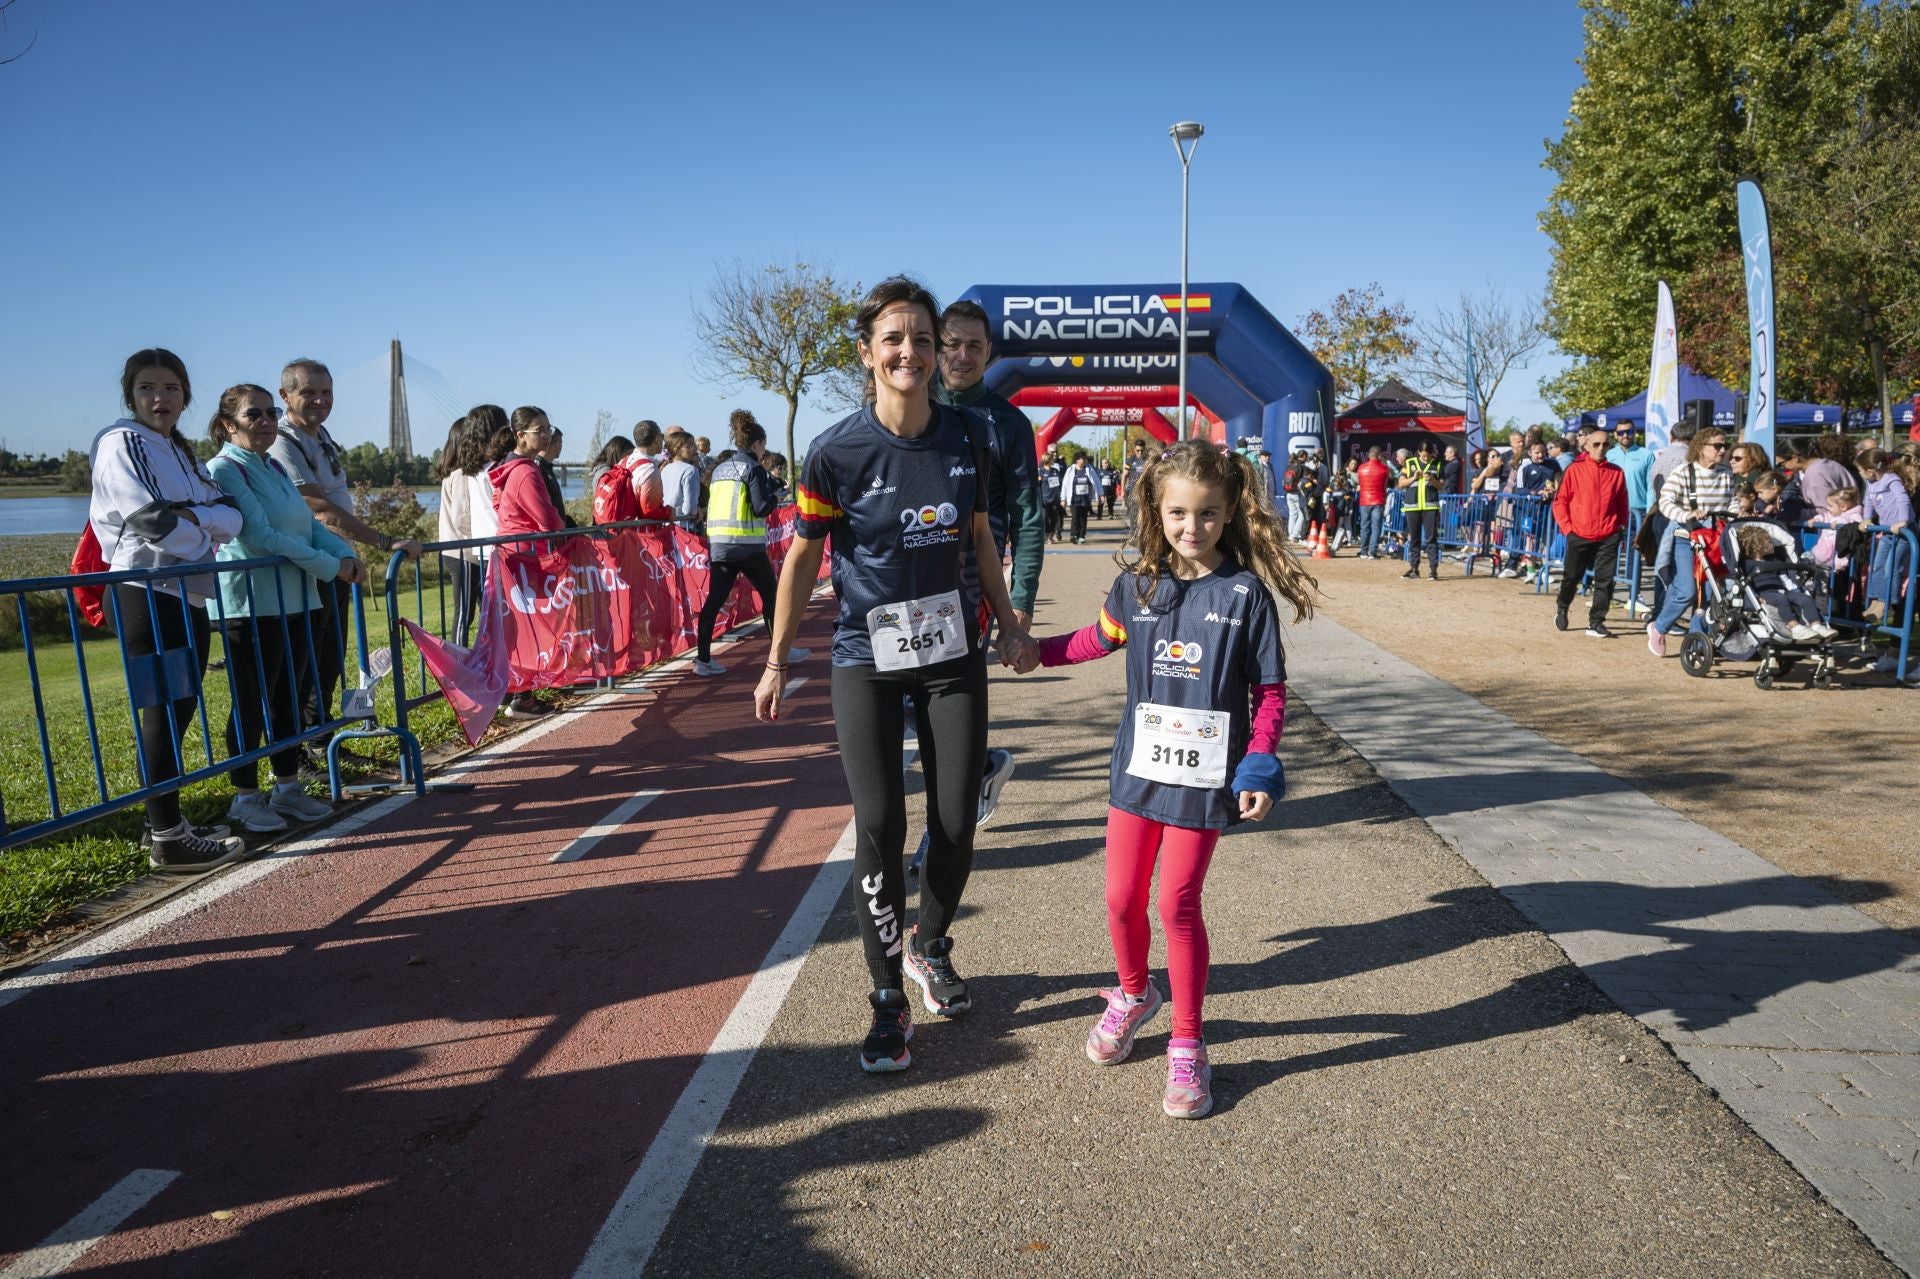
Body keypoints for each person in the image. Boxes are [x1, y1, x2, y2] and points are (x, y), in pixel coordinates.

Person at [752, 278, 1035, 1072]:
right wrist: (776, 660)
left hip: (952, 658)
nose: (909, 352)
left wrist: (1010, 624)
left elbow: (981, 539)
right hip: (863, 660)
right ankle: (885, 1001)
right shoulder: (835, 451)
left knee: (954, 819)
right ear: (868, 352)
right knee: (879, 823)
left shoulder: (967, 439)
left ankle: (930, 945)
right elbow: (804, 555)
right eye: (894, 339)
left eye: (921, 338)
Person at [1023, 441, 1313, 1119]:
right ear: (1157, 509)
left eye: (1208, 513)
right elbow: (1095, 639)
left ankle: (1188, 1040)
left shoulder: (1245, 597)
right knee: (1121, 899)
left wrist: (1260, 764)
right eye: (1179, 512)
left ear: (1229, 511)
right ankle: (1132, 993)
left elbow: (1269, 693)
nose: (1193, 526)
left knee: (1176, 903)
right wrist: (1031, 651)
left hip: (1203, 786)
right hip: (1137, 776)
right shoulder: (1138, 585)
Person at [89, 349, 248, 872]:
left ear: (185, 395)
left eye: (171, 389)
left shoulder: (176, 448)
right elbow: (147, 519)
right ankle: (167, 838)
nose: (160, 398)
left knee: (180, 707)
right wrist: (201, 530)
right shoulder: (122, 443)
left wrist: (195, 518)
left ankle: (161, 821)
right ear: (130, 395)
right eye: (147, 389)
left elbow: (234, 512)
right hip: (145, 591)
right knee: (162, 709)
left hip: (186, 591)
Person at [205, 384, 354, 834]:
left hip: (295, 599)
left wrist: (346, 555)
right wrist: (332, 567)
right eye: (255, 415)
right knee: (251, 702)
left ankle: (287, 787)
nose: (267, 421)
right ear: (230, 424)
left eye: (271, 413)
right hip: (250, 605)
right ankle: (245, 799)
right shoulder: (225, 470)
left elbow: (307, 526)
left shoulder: (271, 465)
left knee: (289, 697)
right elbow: (260, 536)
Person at [269, 359, 422, 749]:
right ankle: (302, 755)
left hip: (337, 566)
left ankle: (326, 743)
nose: (320, 400)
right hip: (310, 566)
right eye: (309, 392)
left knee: (330, 662)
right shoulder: (282, 441)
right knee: (303, 668)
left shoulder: (321, 436)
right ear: (285, 396)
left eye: (326, 392)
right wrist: (385, 542)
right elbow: (319, 510)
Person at [933, 298, 1043, 829]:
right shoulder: (909, 403)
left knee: (950, 696)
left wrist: (1019, 604)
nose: (961, 355)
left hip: (972, 586)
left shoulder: (1010, 423)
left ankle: (944, 828)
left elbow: (1028, 518)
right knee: (907, 702)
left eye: (974, 345)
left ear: (989, 352)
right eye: (951, 343)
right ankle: (979, 767)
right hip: (905, 584)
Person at [692, 410, 811, 677]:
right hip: (746, 546)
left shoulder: (721, 468)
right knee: (773, 597)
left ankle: (702, 659)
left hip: (721, 545)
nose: (763, 451)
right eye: (764, 446)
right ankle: (781, 651)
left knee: (714, 601)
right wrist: (776, 497)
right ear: (757, 444)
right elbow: (760, 508)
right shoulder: (754, 468)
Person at [488, 407, 569, 719]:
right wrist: (564, 529)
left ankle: (519, 692)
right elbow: (547, 519)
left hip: (513, 554)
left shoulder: (507, 467)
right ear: (520, 435)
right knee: (527, 627)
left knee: (518, 628)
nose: (546, 435)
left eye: (548, 428)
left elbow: (500, 506)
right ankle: (521, 695)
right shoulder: (525, 470)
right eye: (539, 430)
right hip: (524, 556)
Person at [1646, 428, 1736, 657]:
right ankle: (1659, 627)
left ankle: (1696, 642)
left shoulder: (1726, 474)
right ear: (1701, 448)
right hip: (1687, 538)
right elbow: (1665, 501)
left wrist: (1733, 515)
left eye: (1724, 445)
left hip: (1715, 540)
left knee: (1709, 595)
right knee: (1686, 590)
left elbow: (1732, 503)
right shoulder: (1684, 472)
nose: (1722, 450)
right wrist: (1686, 514)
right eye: (1717, 446)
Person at [1550, 427, 1628, 638]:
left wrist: (1620, 527)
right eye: (1596, 444)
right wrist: (1568, 530)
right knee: (1571, 578)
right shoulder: (1574, 470)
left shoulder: (1616, 472)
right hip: (1580, 534)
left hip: (1608, 535)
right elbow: (1560, 503)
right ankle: (1562, 606)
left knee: (1605, 580)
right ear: (1586, 446)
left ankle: (1596, 622)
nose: (1601, 448)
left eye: (1605, 444)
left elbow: (1622, 504)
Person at [1735, 524, 1837, 642]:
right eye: (1769, 542)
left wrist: (1794, 590)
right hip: (1764, 592)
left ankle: (1816, 625)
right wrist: (1756, 597)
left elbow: (1783, 576)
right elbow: (1746, 582)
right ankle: (1794, 627)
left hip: (1782, 589)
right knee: (1781, 599)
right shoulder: (1748, 564)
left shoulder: (1774, 561)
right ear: (1758, 546)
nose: (1772, 543)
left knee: (1805, 598)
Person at [436, 417, 484, 646]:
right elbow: (461, 518)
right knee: (465, 612)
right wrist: (482, 538)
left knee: (470, 610)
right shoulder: (462, 474)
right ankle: (458, 661)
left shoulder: (452, 473)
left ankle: (473, 657)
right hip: (463, 551)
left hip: (459, 549)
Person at [1499, 440, 1560, 578]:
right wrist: (1535, 493)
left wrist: (1552, 492)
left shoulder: (1553, 465)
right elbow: (1519, 490)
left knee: (1546, 541)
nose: (1540, 455)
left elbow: (1559, 482)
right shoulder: (1524, 467)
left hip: (1547, 510)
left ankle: (1545, 573)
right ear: (1530, 453)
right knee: (1530, 540)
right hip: (1529, 510)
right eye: (1537, 452)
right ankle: (1531, 572)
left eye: (1543, 452)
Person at [1398, 442, 1443, 580]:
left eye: (1428, 456)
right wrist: (1413, 478)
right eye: (1423, 455)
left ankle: (1433, 570)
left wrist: (1432, 480)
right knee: (1414, 538)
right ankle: (1414, 568)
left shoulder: (1438, 464)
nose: (1426, 458)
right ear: (1418, 452)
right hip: (1413, 506)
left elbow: (1441, 485)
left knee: (1431, 539)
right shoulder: (1409, 463)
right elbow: (1400, 484)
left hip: (1430, 507)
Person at [1607, 421, 1655, 522]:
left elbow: (1651, 485)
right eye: (1621, 433)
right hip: (1613, 511)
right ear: (1615, 435)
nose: (1625, 435)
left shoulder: (1646, 454)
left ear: (1634, 432)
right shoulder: (1607, 455)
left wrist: (1649, 512)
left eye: (1629, 432)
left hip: (1639, 513)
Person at [660, 432, 704, 532]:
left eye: (694, 444)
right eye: (689, 445)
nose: (694, 448)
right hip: (684, 527)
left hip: (666, 525)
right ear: (677, 449)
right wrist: (696, 509)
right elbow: (689, 509)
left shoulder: (665, 469)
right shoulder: (690, 470)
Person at [1355, 446, 1390, 558]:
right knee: (1376, 527)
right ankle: (1372, 552)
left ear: (1369, 455)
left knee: (1364, 526)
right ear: (1379, 455)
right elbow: (1385, 485)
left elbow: (1360, 483)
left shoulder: (1361, 468)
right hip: (1378, 500)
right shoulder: (1384, 468)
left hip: (1364, 500)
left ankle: (1364, 551)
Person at [1062, 452, 1101, 543]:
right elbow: (1064, 484)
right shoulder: (1070, 470)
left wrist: (1100, 494)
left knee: (1083, 518)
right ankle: (1073, 535)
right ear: (1077, 460)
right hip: (1074, 499)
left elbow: (1097, 482)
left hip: (1085, 499)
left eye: (1085, 459)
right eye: (1082, 458)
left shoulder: (1089, 469)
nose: (1084, 460)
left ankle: (1081, 535)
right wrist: (1063, 498)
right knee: (1075, 517)